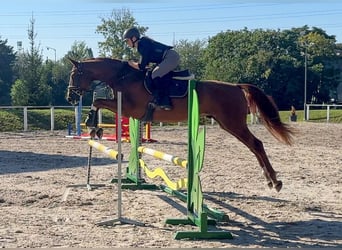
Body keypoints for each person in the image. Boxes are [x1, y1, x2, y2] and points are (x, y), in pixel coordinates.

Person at [123, 27, 180, 110]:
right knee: (152, 73)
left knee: (155, 74)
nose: (127, 43)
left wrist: (129, 63)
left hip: (170, 57)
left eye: (127, 41)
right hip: (167, 57)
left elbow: (142, 66)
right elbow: (145, 65)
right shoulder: (142, 44)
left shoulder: (142, 45)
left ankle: (165, 101)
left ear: (134, 38)